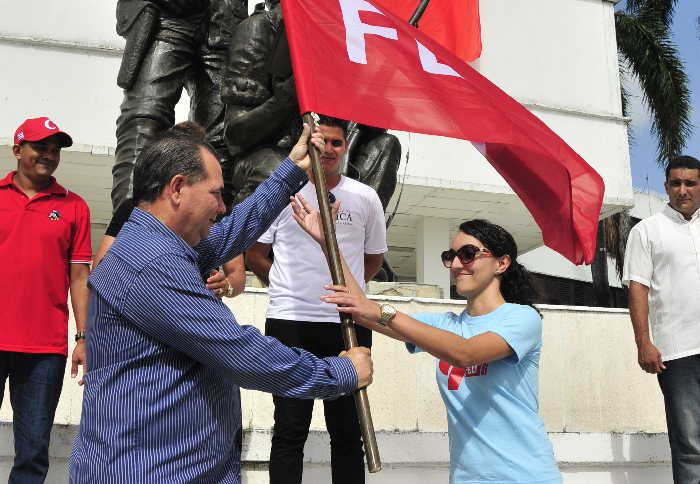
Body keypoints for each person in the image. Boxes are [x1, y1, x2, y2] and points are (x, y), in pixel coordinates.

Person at [69, 122, 372, 483]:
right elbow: (242, 354)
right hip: (153, 471)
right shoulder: (153, 264)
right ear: (178, 188)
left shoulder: (161, 246)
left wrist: (292, 170)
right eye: (215, 193)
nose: (222, 205)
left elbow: (232, 232)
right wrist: (340, 373)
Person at [293, 204, 562, 484]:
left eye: (468, 254)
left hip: (525, 476)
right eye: (451, 256)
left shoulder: (522, 319)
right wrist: (329, 243)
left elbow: (465, 353)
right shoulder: (445, 326)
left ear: (502, 263)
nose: (457, 265)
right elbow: (360, 309)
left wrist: (384, 312)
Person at [246, 116, 387, 484]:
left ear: (345, 148)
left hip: (346, 324)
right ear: (307, 144)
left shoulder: (365, 197)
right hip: (290, 321)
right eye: (321, 142)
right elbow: (257, 254)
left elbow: (372, 259)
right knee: (291, 428)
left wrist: (349, 295)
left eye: (337, 143)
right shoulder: (283, 194)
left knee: (346, 431)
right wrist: (284, 287)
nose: (328, 150)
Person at [0, 117, 92, 482]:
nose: (48, 155)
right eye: (40, 147)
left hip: (44, 349)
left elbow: (80, 276)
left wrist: (83, 337)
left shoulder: (74, 207)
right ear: (18, 149)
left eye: (55, 150)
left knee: (34, 451)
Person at [113, 0, 249, 209]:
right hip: (167, 16)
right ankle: (129, 231)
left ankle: (210, 236)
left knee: (223, 140)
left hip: (226, 21)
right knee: (143, 121)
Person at [623, 155, 700, 484]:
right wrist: (644, 342)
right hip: (677, 352)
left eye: (691, 183)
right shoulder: (647, 231)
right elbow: (637, 288)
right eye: (676, 183)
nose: (683, 190)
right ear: (666, 187)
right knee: (689, 445)